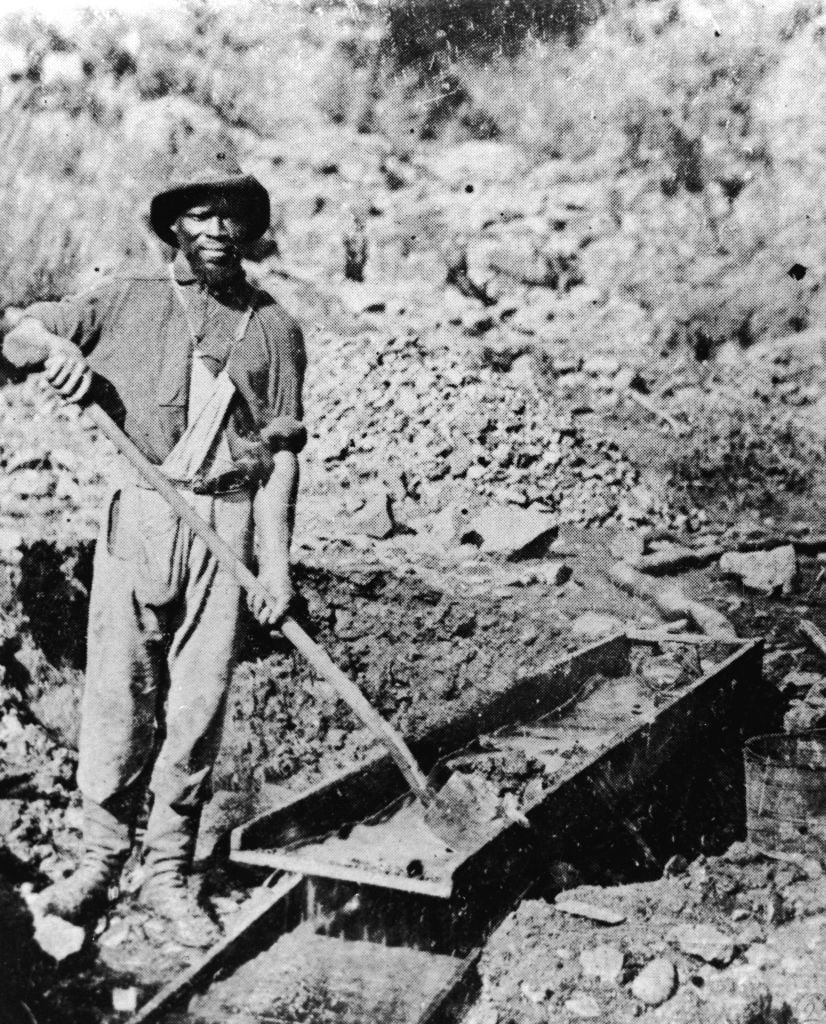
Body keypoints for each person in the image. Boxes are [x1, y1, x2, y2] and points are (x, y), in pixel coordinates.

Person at [4, 146, 306, 948]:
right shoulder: (128, 300)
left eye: (231, 214)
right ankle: (100, 860)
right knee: (116, 699)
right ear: (174, 224)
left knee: (197, 709)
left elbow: (281, 459)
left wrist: (274, 568)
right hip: (140, 514)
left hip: (228, 526)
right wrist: (57, 353)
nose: (218, 228)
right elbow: (20, 333)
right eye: (201, 213)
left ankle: (168, 873)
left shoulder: (274, 328)